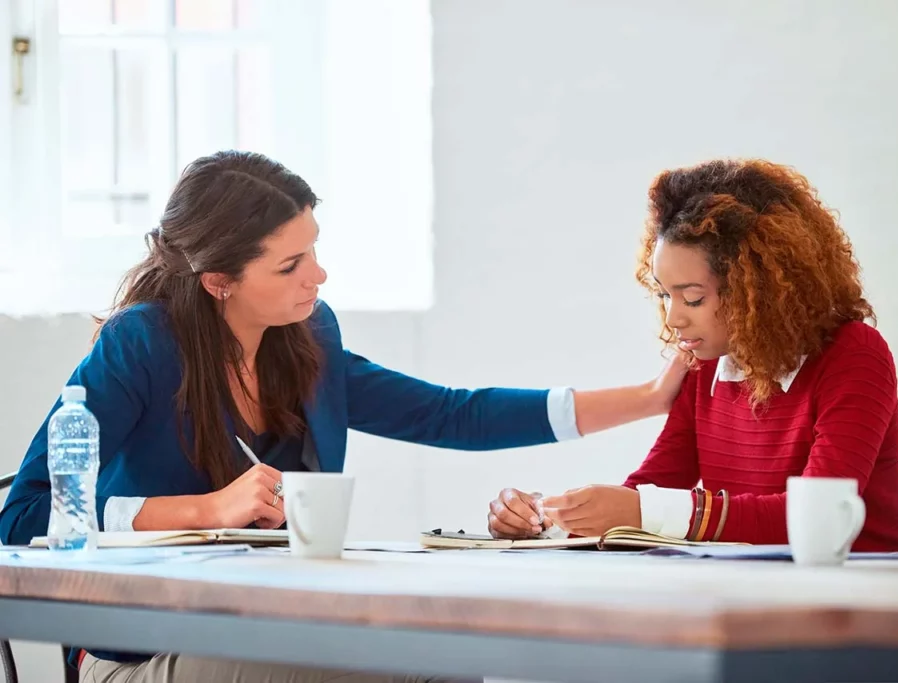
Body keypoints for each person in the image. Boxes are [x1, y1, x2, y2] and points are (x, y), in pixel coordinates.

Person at [0, 151, 692, 683]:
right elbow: (24, 513)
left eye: (315, 249)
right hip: (143, 655)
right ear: (220, 281)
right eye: (291, 263)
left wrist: (648, 398)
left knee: (445, 653)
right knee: (415, 664)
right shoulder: (141, 343)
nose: (318, 275)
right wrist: (204, 508)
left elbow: (451, 414)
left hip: (275, 628)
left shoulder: (308, 338)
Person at [487, 159, 898, 554]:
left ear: (755, 289)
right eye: (664, 295)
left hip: (883, 593)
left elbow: (817, 514)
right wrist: (548, 519)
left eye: (693, 298)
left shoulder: (854, 354)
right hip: (769, 598)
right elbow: (651, 492)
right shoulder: (703, 368)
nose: (674, 318)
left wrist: (644, 510)